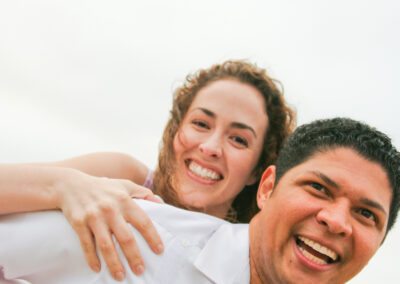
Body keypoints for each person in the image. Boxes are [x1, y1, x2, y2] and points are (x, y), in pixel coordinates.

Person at [1, 117, 399, 284]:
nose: (336, 220)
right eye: (318, 188)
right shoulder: (130, 236)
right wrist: (58, 185)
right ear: (266, 188)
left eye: (366, 214)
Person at [0, 60, 295, 280]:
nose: (211, 147)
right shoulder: (120, 176)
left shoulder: (249, 261)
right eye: (201, 124)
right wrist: (64, 186)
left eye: (238, 139)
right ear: (175, 128)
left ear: (259, 172)